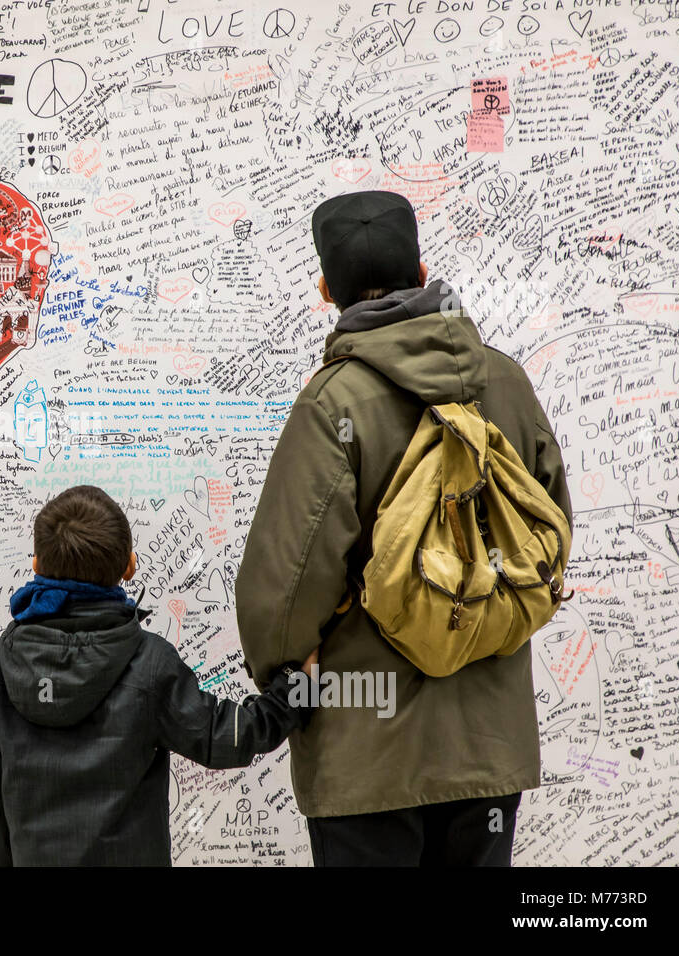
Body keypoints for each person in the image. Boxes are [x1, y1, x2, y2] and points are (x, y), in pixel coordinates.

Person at [235, 190, 573, 866]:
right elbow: (549, 530)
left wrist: (283, 676)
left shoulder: (332, 403)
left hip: (369, 755)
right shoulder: (504, 381)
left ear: (327, 289)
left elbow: (287, 582)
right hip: (489, 747)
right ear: (423, 274)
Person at [0, 484, 318, 866]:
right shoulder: (149, 663)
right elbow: (230, 736)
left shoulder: (0, 666)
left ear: (37, 566)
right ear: (130, 565)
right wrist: (297, 687)